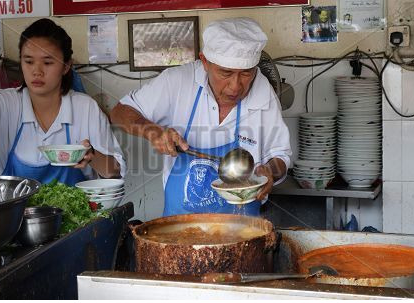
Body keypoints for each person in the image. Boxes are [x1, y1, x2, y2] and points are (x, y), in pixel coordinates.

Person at [111, 17, 291, 216]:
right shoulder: (177, 82)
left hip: (243, 228)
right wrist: (152, 132)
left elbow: (280, 155)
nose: (235, 86)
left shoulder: (264, 92)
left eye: (246, 73)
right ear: (205, 61)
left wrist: (270, 172)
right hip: (180, 227)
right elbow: (119, 112)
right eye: (226, 73)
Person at [0, 18, 125, 185]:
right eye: (28, 61)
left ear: (66, 66)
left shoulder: (85, 108)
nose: (37, 71)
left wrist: (92, 156)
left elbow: (114, 172)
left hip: (77, 211)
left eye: (48, 62)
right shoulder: (3, 105)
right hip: (17, 211)